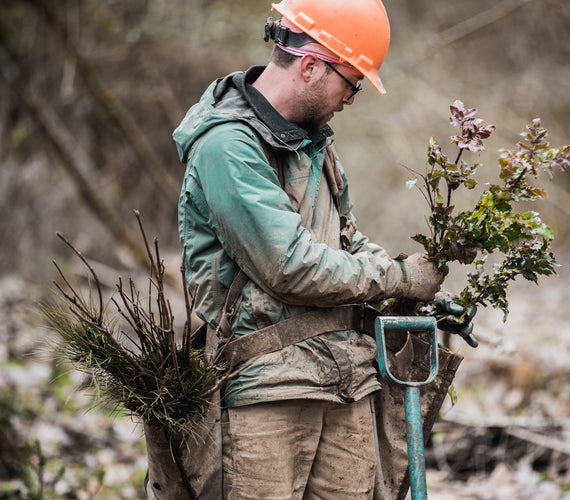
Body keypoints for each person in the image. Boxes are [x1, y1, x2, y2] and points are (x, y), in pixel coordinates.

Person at [173, 0, 472, 498]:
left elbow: (346, 242)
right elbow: (289, 266)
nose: (353, 98)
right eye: (351, 81)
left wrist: (415, 290)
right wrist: (401, 277)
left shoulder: (315, 145)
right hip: (264, 391)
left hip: (347, 380)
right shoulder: (227, 147)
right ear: (311, 65)